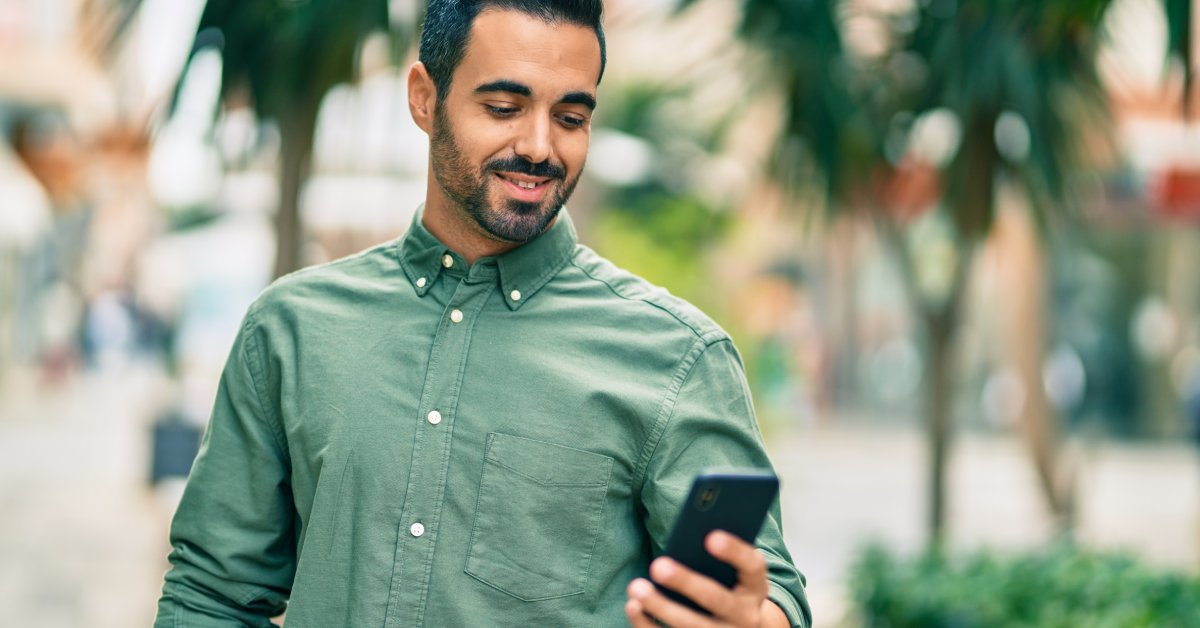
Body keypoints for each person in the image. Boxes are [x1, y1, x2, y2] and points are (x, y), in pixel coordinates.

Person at [155, 1, 811, 626]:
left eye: (571, 118)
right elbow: (211, 595)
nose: (538, 145)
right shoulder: (291, 331)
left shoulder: (677, 357)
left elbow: (770, 590)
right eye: (503, 106)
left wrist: (751, 618)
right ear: (423, 97)